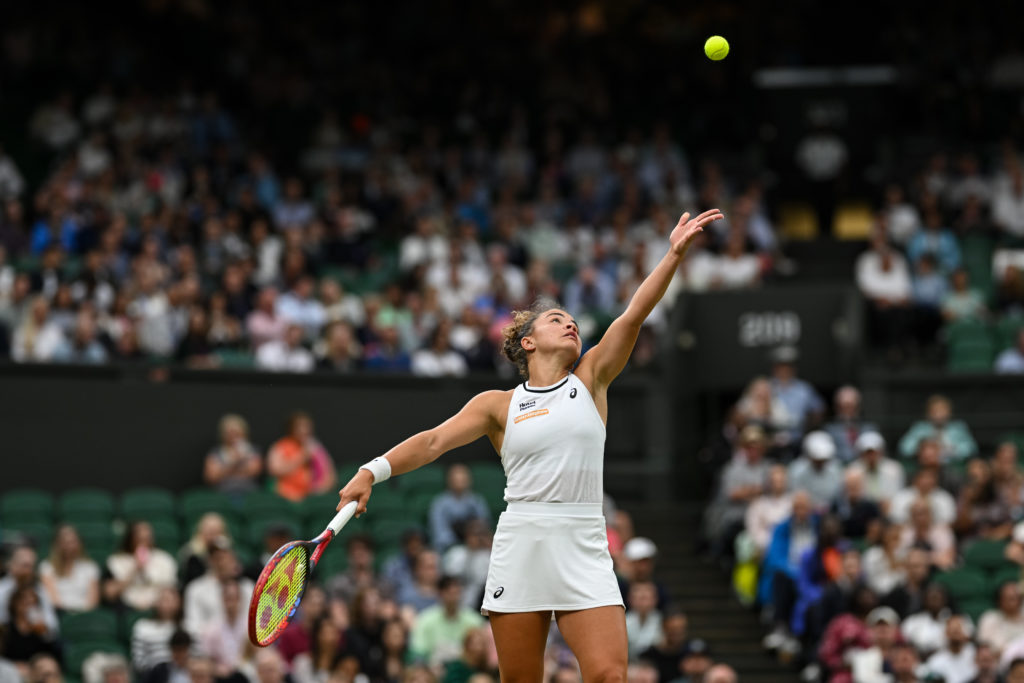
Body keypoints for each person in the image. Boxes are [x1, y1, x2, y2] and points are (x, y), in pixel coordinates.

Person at [335, 209, 725, 683]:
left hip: (583, 541)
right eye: (557, 320)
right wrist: (371, 471)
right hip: (522, 541)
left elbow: (635, 313)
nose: (571, 326)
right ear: (528, 342)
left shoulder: (593, 378)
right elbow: (434, 441)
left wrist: (672, 255)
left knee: (610, 676)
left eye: (574, 322)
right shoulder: (498, 405)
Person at [182, 541, 254, 640]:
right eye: (217, 558)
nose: (222, 562)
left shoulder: (248, 587)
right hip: (208, 648)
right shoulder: (195, 589)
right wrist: (217, 637)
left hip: (243, 648)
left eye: (226, 557)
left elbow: (253, 624)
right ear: (209, 561)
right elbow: (191, 626)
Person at [408, 577, 485, 668]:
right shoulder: (424, 620)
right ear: (440, 594)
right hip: (433, 671)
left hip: (468, 670)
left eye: (456, 593)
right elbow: (417, 653)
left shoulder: (475, 621)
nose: (453, 598)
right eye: (449, 593)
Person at [105, 521, 178, 611]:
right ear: (131, 539)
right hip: (125, 609)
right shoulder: (116, 561)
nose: (144, 543)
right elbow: (109, 594)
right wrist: (135, 569)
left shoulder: (164, 559)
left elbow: (171, 590)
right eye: (140, 539)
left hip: (157, 610)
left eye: (147, 538)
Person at [267, 412, 337, 502]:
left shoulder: (315, 447)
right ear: (291, 428)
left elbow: (330, 475)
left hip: (310, 498)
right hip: (285, 498)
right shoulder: (281, 446)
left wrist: (318, 493)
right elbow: (274, 470)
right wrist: (302, 457)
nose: (304, 430)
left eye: (307, 426)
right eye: (299, 426)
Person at [767, 345, 825, 449]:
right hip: (771, 443)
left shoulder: (804, 389)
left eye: (788, 366)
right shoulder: (766, 387)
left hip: (798, 442)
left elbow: (818, 410)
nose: (784, 370)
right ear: (775, 368)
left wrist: (809, 428)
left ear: (793, 368)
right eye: (781, 366)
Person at [898, 394, 978, 463]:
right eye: (935, 411)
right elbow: (904, 448)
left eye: (942, 411)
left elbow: (971, 448)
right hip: (926, 467)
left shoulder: (958, 427)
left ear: (950, 412)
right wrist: (923, 450)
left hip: (952, 466)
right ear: (928, 413)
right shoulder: (920, 428)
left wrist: (952, 451)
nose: (939, 415)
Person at [429, 464, 491, 554]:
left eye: (463, 477)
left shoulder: (477, 501)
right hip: (450, 548)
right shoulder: (440, 503)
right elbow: (439, 532)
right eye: (456, 478)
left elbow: (484, 525)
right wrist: (460, 544)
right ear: (449, 480)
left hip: (477, 547)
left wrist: (477, 540)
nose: (460, 481)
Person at [39, 524, 100, 613]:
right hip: (59, 613)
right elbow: (53, 600)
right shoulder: (47, 567)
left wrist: (80, 614)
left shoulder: (90, 567)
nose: (70, 547)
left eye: (73, 542)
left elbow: (93, 602)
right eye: (66, 542)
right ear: (58, 544)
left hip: (85, 615)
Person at [0, 547, 58, 634]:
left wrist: (42, 627)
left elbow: (52, 624)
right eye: (25, 566)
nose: (28, 571)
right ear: (13, 565)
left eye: (31, 566)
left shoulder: (39, 590)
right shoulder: (2, 590)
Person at [845, 432, 904, 514]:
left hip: (888, 512)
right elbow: (852, 500)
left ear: (881, 452)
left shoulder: (894, 469)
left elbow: (897, 496)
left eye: (874, 452)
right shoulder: (852, 471)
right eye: (867, 453)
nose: (871, 456)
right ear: (861, 454)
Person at [203, 414, 262, 496]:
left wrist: (224, 471)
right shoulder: (215, 452)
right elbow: (212, 477)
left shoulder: (252, 450)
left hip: (249, 493)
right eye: (229, 433)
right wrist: (235, 461)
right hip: (222, 494)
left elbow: (254, 471)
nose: (233, 436)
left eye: (236, 432)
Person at [822, 386, 879, 465]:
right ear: (836, 408)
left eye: (851, 406)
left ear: (858, 407)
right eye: (843, 407)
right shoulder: (829, 430)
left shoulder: (869, 429)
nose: (847, 411)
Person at [131, 586, 183, 674]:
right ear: (156, 603)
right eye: (163, 599)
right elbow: (138, 661)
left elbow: (193, 658)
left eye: (171, 600)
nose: (167, 604)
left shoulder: (185, 627)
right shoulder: (143, 627)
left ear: (179, 602)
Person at [787, 431, 843, 509]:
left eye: (823, 460)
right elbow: (796, 495)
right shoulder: (797, 471)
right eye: (817, 460)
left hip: (830, 509)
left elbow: (837, 494)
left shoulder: (836, 468)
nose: (820, 463)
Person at [889, 467, 957, 526]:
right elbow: (896, 518)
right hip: (907, 530)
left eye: (930, 478)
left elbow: (949, 520)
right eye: (923, 477)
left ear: (936, 480)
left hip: (936, 531)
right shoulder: (902, 496)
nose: (926, 481)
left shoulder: (944, 497)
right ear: (915, 479)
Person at [637, 609, 689, 683]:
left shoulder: (690, 654)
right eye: (673, 629)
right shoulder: (649, 655)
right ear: (663, 628)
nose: (677, 633)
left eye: (681, 629)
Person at [923, 614, 977, 683]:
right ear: (945, 633)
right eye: (953, 630)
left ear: (965, 634)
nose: (956, 632)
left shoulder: (975, 655)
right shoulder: (936, 661)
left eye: (958, 629)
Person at [979, 581, 1024, 654]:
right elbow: (984, 649)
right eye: (1009, 598)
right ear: (999, 600)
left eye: (1016, 597)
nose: (1013, 602)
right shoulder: (989, 619)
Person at [623, 582, 661, 659]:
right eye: (639, 598)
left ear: (655, 599)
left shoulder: (663, 621)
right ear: (630, 600)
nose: (643, 603)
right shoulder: (623, 621)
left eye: (646, 598)